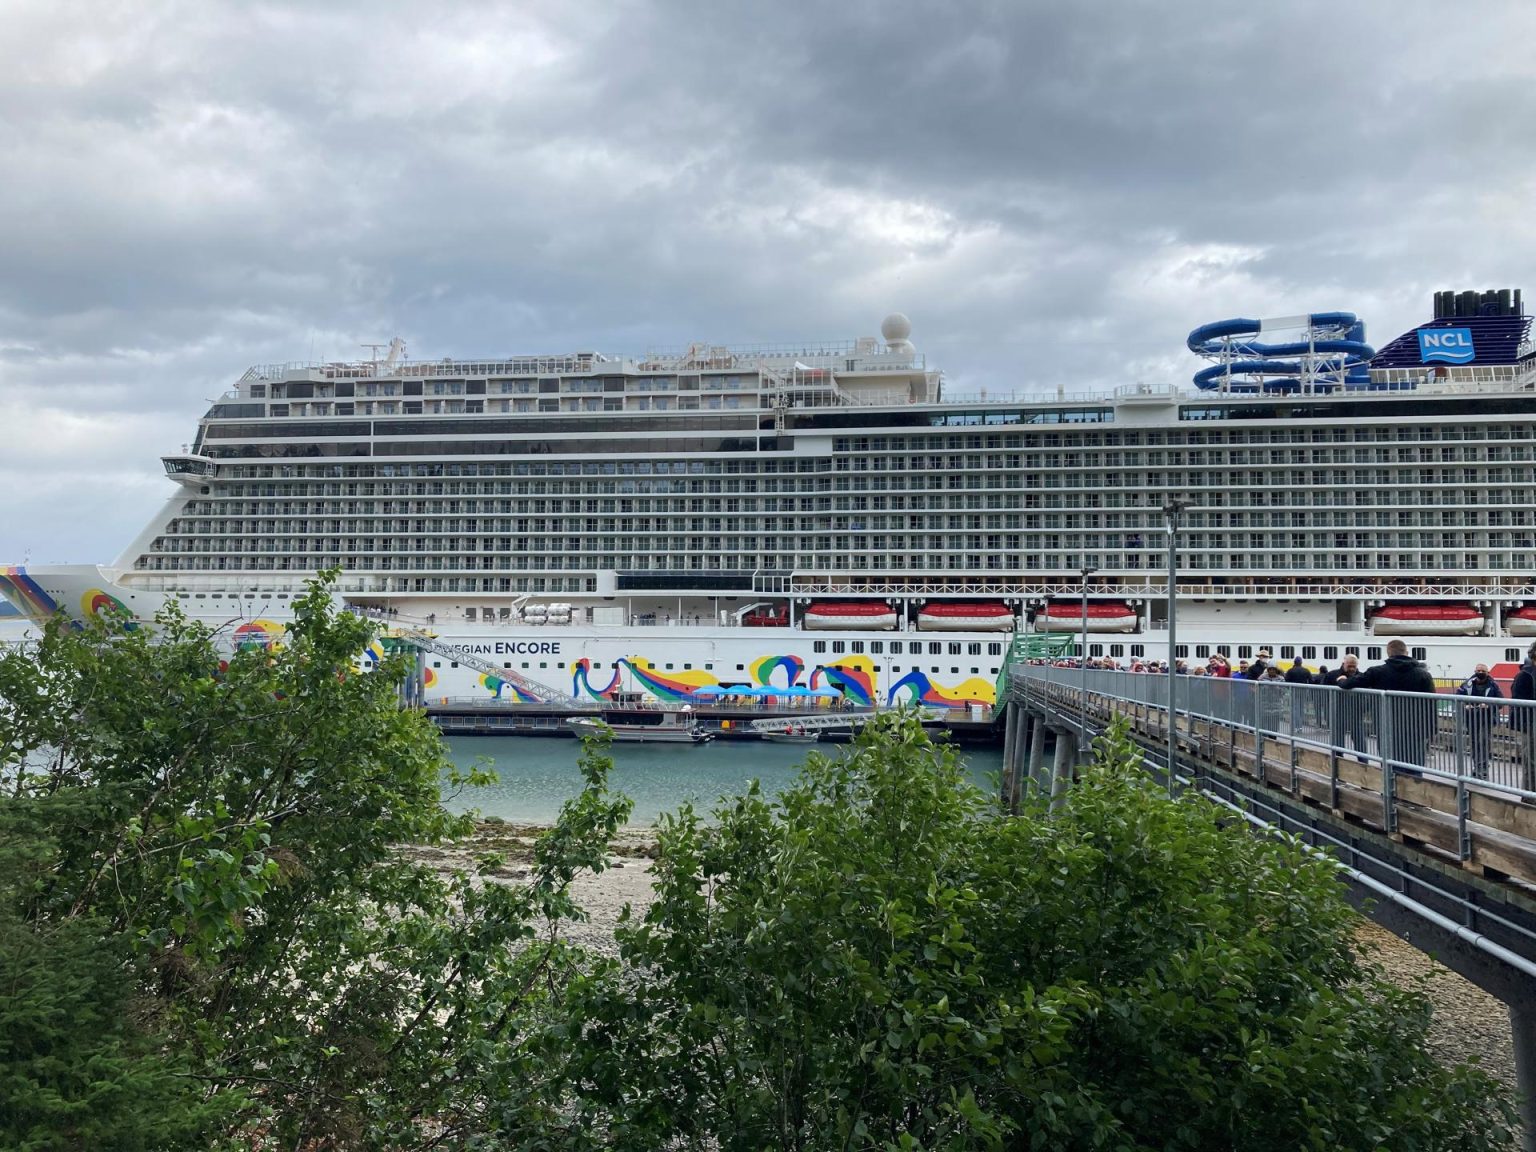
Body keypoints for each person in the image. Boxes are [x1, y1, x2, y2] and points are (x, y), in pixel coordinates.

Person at [1343, 639, 1438, 771]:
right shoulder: (1424, 675)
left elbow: (1349, 684)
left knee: (1390, 766)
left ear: (1388, 653)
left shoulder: (1377, 672)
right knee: (1415, 767)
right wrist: (1431, 730)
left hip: (1387, 727)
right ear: (1406, 652)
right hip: (1416, 729)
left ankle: (1389, 791)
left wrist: (1341, 681)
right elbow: (1432, 703)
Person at [1454, 663, 1502, 780]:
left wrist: (1488, 705)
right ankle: (1477, 767)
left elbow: (1500, 702)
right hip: (1471, 718)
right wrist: (1464, 705)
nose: (1480, 673)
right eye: (1478, 670)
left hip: (1487, 718)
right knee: (1475, 743)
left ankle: (1483, 769)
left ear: (1487, 672)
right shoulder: (1467, 684)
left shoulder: (1493, 685)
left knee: (1484, 741)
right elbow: (1457, 697)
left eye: (1483, 671)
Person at [1328, 654, 1367, 756]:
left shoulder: (1361, 677)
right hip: (1338, 713)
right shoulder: (1332, 675)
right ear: (1343, 664)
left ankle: (1364, 764)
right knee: (1338, 742)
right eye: (1349, 666)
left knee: (1360, 742)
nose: (1352, 669)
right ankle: (1337, 763)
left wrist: (1364, 708)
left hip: (1356, 713)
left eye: (1354, 666)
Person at [1511, 642, 1536, 791]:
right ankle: (1529, 794)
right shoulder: (1524, 675)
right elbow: (1518, 701)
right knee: (1531, 761)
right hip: (1530, 724)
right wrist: (1525, 725)